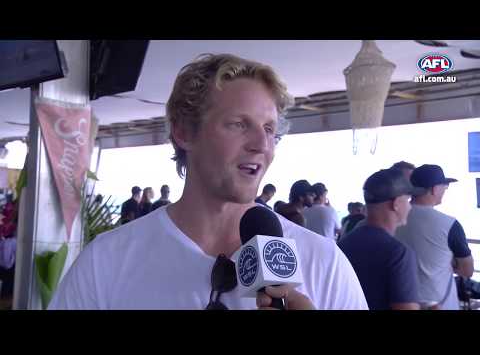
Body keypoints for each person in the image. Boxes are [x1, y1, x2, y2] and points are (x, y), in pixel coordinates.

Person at [49, 53, 367, 310]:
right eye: (239, 124)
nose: (262, 143)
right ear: (184, 131)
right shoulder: (107, 260)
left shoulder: (324, 264)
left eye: (269, 129)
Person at [338, 168, 422, 310]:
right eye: (407, 200)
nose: (409, 206)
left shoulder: (342, 246)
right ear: (395, 204)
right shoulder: (398, 253)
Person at [396, 164, 474, 310]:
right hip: (439, 304)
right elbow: (467, 270)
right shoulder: (450, 224)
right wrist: (450, 262)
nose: (445, 190)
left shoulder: (394, 218)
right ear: (434, 189)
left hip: (401, 302)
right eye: (445, 186)